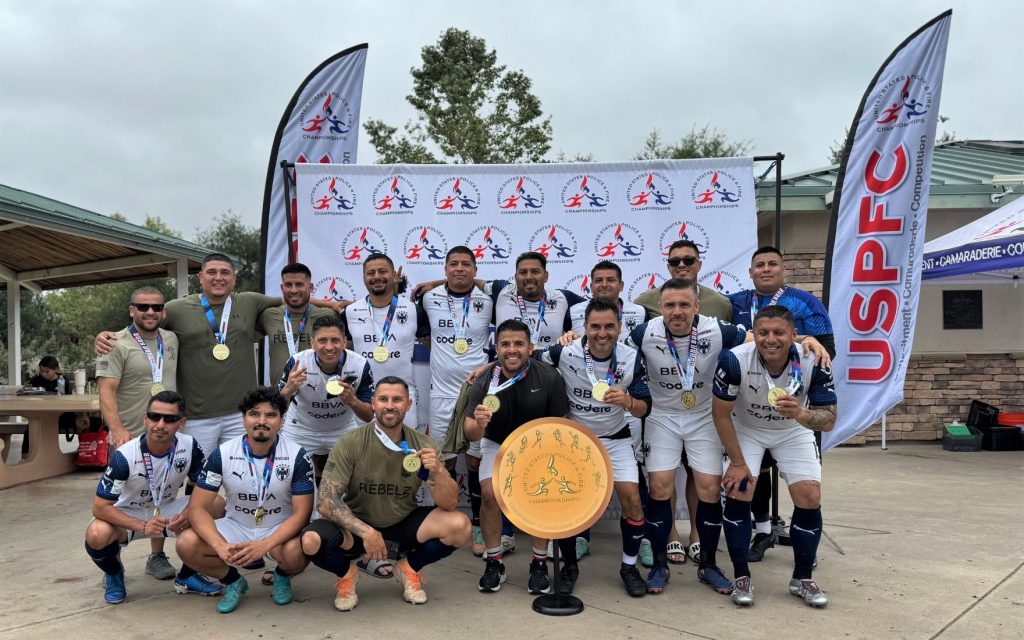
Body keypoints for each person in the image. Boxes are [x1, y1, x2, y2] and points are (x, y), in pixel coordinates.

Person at [301, 376, 471, 609]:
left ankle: (408, 568)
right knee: (311, 541)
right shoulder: (351, 442)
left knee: (460, 527)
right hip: (357, 526)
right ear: (373, 403)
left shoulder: (424, 445)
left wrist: (438, 471)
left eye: (397, 399)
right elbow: (327, 501)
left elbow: (449, 503)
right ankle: (347, 575)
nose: (390, 405)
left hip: (402, 521)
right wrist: (367, 532)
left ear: (408, 405)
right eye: (383, 399)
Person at [96, 254, 282, 460]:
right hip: (196, 417)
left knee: (241, 472)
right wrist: (108, 336)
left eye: (225, 272)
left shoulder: (250, 301)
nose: (218, 277)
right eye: (211, 272)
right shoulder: (176, 309)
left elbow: (295, 299)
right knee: (197, 475)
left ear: (234, 279)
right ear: (200, 277)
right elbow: (145, 326)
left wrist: (325, 306)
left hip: (239, 414)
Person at [712, 305, 837, 607]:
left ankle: (802, 578)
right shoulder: (734, 360)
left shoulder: (813, 360)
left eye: (779, 332)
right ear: (755, 334)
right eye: (763, 333)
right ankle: (742, 575)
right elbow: (720, 415)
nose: (771, 339)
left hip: (792, 429)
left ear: (793, 335)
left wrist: (803, 413)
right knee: (740, 488)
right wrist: (739, 464)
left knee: (809, 496)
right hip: (747, 428)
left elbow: (829, 418)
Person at [627, 279, 746, 595]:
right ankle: (659, 566)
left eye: (684, 305)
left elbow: (757, 341)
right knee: (661, 486)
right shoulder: (644, 333)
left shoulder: (719, 329)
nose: (677, 312)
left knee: (708, 488)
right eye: (669, 306)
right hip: (662, 417)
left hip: (703, 417)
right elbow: (607, 346)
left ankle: (708, 565)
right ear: (661, 307)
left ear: (696, 306)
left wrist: (805, 341)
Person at [535, 299, 652, 597]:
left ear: (620, 327)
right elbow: (525, 358)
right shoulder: (565, 351)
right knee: (568, 506)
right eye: (595, 326)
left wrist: (627, 402)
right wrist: (489, 366)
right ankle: (570, 566)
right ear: (584, 328)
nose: (602, 333)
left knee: (633, 502)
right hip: (576, 441)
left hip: (616, 438)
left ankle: (628, 566)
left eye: (609, 326)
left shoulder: (631, 357)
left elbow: (644, 408)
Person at [728, 246, 836, 562]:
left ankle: (805, 544)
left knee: (805, 483)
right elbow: (723, 340)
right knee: (754, 471)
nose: (765, 269)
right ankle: (762, 530)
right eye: (758, 264)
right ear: (750, 272)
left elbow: (825, 349)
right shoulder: (735, 302)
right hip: (750, 397)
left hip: (790, 399)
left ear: (783, 269)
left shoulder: (805, 302)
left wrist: (803, 342)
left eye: (772, 264)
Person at [175, 387, 314, 613]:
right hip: (237, 524)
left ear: (281, 420)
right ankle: (233, 581)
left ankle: (281, 576)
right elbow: (198, 508)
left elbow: (301, 514)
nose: (262, 421)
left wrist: (264, 546)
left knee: (297, 553)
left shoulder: (297, 456)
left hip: (278, 527)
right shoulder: (223, 453)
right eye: (254, 414)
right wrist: (219, 546)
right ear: (243, 419)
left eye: (270, 415)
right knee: (186, 544)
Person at [85, 391, 222, 603]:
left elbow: (202, 489)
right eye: (154, 417)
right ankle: (114, 574)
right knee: (97, 533)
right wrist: (141, 525)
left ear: (181, 422)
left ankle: (187, 576)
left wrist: (189, 513)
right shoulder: (125, 456)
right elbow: (100, 507)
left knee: (216, 505)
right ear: (145, 418)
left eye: (170, 419)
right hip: (128, 514)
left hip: (167, 510)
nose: (160, 424)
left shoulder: (189, 446)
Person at [464, 319, 570, 594]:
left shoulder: (548, 376)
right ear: (496, 348)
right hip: (496, 443)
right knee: (489, 493)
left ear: (530, 347)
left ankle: (538, 563)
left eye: (519, 344)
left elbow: (561, 423)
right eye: (506, 344)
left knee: (541, 494)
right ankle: (494, 562)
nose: (512, 350)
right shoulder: (484, 380)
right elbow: (470, 434)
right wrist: (479, 423)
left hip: (538, 445)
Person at [95, 286, 181, 579]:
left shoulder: (170, 339)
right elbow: (106, 390)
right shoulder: (115, 343)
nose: (150, 312)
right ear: (132, 310)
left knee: (163, 495)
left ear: (164, 313)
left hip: (163, 434)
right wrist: (116, 429)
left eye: (156, 308)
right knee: (118, 501)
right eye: (143, 307)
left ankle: (157, 556)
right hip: (128, 437)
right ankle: (113, 567)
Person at [279, 314, 374, 477]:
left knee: (358, 477)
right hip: (301, 428)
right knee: (285, 476)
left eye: (335, 341)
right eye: (322, 340)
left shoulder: (359, 364)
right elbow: (277, 408)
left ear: (344, 342)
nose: (329, 347)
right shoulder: (297, 363)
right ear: (312, 343)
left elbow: (368, 416)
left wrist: (352, 401)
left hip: (341, 428)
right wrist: (288, 390)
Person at [341, 253, 421, 429]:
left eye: (382, 271)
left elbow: (435, 345)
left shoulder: (414, 310)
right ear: (364, 278)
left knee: (405, 453)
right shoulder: (350, 312)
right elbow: (341, 354)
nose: (377, 277)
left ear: (394, 275)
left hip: (403, 397)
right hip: (364, 399)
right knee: (363, 453)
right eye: (371, 273)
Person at [259, 262, 338, 384]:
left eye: (299, 284)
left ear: (311, 287)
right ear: (282, 288)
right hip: (281, 396)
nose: (294, 290)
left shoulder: (328, 315)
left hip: (318, 395)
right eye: (288, 285)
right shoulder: (268, 315)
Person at [633, 239, 733, 321]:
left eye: (688, 260)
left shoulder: (721, 304)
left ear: (699, 265)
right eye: (675, 261)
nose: (681, 265)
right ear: (668, 267)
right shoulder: (645, 301)